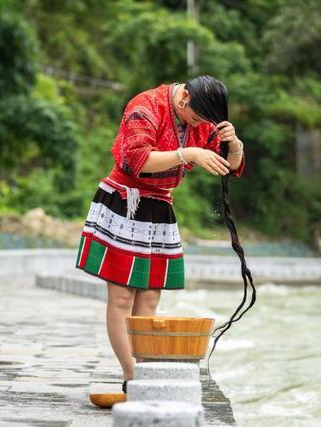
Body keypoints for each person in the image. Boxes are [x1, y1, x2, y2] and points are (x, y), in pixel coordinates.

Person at [76, 75, 245, 395]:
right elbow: (139, 161)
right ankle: (131, 376)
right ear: (184, 99)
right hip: (124, 200)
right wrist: (189, 154)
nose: (200, 125)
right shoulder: (145, 107)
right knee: (122, 297)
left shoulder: (202, 119)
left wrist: (233, 143)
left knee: (150, 297)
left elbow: (230, 165)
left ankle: (141, 370)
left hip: (160, 207)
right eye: (196, 118)